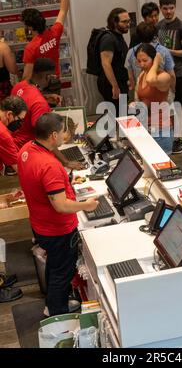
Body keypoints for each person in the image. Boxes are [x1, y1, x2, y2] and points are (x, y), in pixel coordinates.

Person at [17, 112, 98, 316]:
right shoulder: (49, 165)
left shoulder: (26, 150)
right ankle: (58, 312)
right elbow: (61, 206)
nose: (65, 135)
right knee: (62, 271)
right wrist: (86, 206)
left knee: (54, 265)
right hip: (57, 228)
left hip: (40, 222)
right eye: (63, 132)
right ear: (53, 135)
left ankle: (52, 303)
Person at [11, 58, 83, 170]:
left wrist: (46, 97)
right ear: (47, 76)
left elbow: (26, 102)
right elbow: (46, 136)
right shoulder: (39, 103)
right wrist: (65, 162)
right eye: (52, 76)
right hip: (27, 153)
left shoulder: (19, 86)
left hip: (14, 144)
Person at [21, 0, 73, 81]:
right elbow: (63, 10)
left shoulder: (30, 48)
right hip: (55, 80)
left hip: (40, 86)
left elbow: (26, 77)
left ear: (30, 27)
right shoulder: (54, 32)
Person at [157, 0, 182, 154]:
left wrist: (167, 51)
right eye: (165, 8)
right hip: (162, 74)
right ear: (160, 8)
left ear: (175, 7)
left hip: (179, 72)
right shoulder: (158, 26)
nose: (169, 11)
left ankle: (178, 139)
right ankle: (169, 138)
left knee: (178, 106)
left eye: (171, 8)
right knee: (164, 107)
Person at [133, 43, 172, 154]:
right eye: (139, 61)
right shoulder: (142, 75)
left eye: (145, 61)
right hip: (145, 127)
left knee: (162, 168)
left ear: (154, 59)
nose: (141, 64)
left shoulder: (164, 76)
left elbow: (151, 81)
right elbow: (138, 96)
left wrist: (156, 63)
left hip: (160, 129)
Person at [125, 22, 175, 93]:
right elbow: (172, 75)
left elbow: (130, 77)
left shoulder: (131, 52)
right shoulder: (163, 51)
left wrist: (135, 90)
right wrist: (173, 90)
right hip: (161, 91)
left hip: (141, 91)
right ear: (154, 35)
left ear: (138, 35)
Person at [98, 7, 129, 116]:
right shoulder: (108, 39)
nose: (128, 24)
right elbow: (106, 64)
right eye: (124, 22)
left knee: (121, 114)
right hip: (111, 83)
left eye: (129, 21)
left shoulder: (118, 37)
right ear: (114, 23)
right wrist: (115, 86)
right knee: (118, 115)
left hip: (120, 81)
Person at [0, 95, 27, 174]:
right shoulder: (3, 133)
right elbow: (19, 168)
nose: (20, 124)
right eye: (19, 120)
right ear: (9, 114)